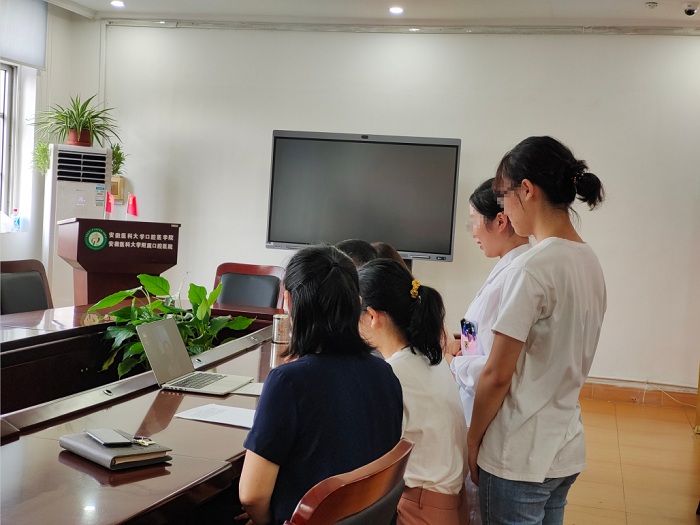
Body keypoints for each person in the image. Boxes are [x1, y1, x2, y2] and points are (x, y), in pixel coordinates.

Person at [467, 136, 606, 525]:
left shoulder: (532, 268)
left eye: (504, 197)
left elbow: (497, 374)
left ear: (526, 190)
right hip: (564, 446)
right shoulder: (589, 261)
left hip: (518, 455)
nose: (504, 210)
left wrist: (473, 439)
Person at [238, 245, 403, 525]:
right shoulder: (385, 374)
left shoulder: (288, 382)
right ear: (357, 303)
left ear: (288, 302)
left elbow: (252, 496)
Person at [358, 259, 468, 525]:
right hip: (447, 504)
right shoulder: (430, 358)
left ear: (372, 317)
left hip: (420, 507)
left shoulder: (393, 373)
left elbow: (369, 458)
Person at [446, 178, 530, 525]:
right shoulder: (505, 265)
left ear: (500, 220)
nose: (472, 232)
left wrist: (454, 362)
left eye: (474, 221)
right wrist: (461, 345)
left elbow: (496, 366)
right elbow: (478, 329)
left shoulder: (519, 273)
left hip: (493, 419)